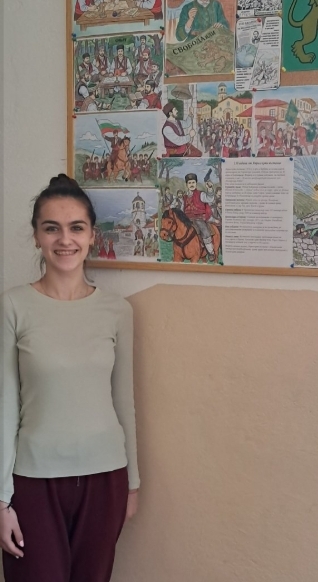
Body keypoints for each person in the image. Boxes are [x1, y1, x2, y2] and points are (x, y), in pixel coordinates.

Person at [0, 175, 139, 582]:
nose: (65, 240)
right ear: (36, 236)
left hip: (106, 479)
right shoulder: (13, 306)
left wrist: (132, 484)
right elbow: (4, 405)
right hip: (32, 482)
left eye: (76, 227)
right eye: (52, 228)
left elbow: (124, 401)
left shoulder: (117, 311)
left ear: (92, 235)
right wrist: (1, 500)